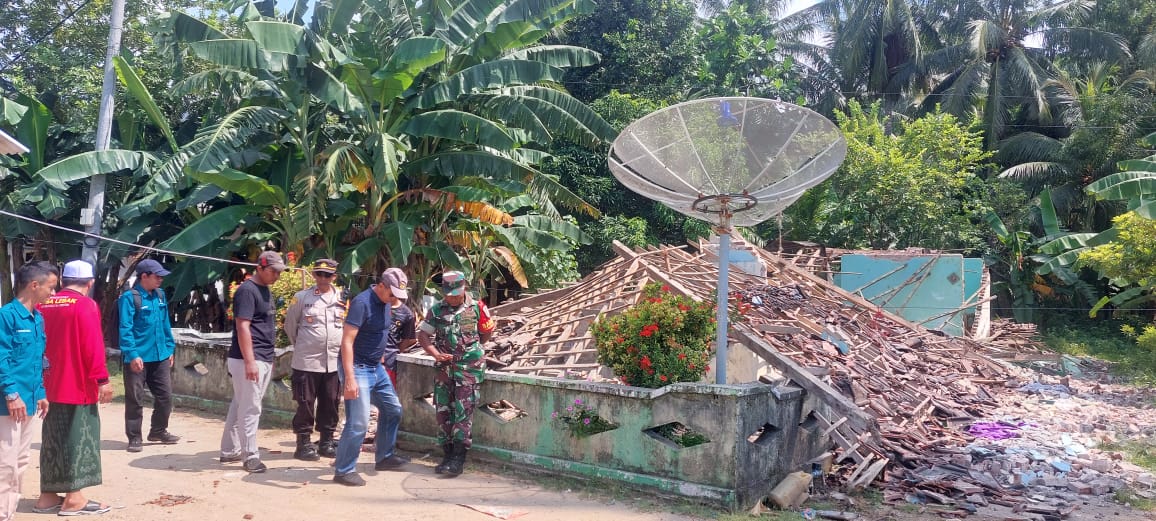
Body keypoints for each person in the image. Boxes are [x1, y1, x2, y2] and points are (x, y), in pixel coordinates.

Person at [34, 260, 113, 515]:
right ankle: (74, 498)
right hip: (77, 384)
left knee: (53, 437)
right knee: (80, 437)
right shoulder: (85, 305)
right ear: (89, 283)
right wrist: (102, 379)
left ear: (63, 281)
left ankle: (47, 495)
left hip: (47, 385)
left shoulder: (43, 303)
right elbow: (92, 345)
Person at [332, 269, 408, 486]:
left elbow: (379, 332)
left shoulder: (385, 303)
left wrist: (381, 356)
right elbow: (347, 341)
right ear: (381, 285)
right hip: (357, 368)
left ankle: (384, 457)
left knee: (393, 409)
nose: (394, 299)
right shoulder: (361, 303)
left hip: (376, 367)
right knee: (359, 422)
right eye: (392, 294)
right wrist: (349, 378)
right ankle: (344, 470)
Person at [416, 271, 495, 477]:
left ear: (464, 289)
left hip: (468, 371)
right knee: (443, 412)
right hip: (444, 371)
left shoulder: (477, 308)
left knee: (463, 412)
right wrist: (434, 353)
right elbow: (423, 334)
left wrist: (469, 352)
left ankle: (458, 459)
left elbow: (486, 333)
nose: (451, 297)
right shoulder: (436, 310)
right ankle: (447, 455)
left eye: (455, 294)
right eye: (448, 294)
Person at [220, 251, 286, 473]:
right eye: (273, 271)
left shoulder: (264, 290)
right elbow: (243, 326)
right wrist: (250, 361)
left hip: (262, 356)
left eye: (279, 272)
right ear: (260, 267)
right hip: (248, 357)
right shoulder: (247, 291)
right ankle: (250, 456)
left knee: (241, 403)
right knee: (251, 407)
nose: (276, 276)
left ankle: (229, 450)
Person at [0, 261, 55, 521]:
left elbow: (37, 359)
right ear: (34, 285)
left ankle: (7, 513)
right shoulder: (7, 316)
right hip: (8, 404)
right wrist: (11, 394)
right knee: (4, 462)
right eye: (50, 287)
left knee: (20, 461)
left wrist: (41, 392)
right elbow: (2, 358)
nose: (52, 294)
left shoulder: (37, 319)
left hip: (30, 401)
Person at [283, 259, 344, 461]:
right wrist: (304, 346)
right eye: (319, 274)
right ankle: (303, 444)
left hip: (334, 362)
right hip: (306, 362)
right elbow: (290, 327)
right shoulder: (301, 298)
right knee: (305, 403)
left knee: (331, 403)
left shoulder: (344, 299)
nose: (322, 278)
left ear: (334, 277)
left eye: (327, 275)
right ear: (314, 276)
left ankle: (326, 442)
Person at [119, 258, 180, 453]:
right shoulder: (130, 298)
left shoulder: (160, 295)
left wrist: (170, 349)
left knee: (165, 397)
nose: (161, 280)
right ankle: (134, 437)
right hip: (137, 358)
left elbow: (165, 324)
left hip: (160, 355)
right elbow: (125, 329)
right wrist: (133, 354)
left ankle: (158, 431)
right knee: (135, 399)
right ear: (144, 276)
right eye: (157, 276)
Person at [381, 267, 416, 386]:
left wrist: (392, 352)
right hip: (367, 362)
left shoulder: (406, 314)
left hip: (389, 362)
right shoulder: (372, 305)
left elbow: (409, 339)